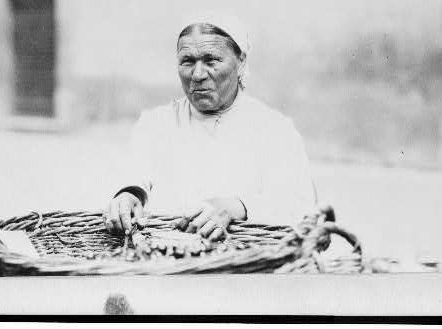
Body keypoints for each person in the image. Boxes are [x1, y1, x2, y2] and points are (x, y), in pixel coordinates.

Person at [106, 12, 317, 241]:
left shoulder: (275, 131)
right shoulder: (155, 125)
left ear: (241, 61)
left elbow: (302, 211)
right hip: (164, 267)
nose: (197, 74)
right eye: (187, 61)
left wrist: (236, 207)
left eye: (211, 60)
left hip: (247, 268)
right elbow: (134, 178)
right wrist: (128, 196)